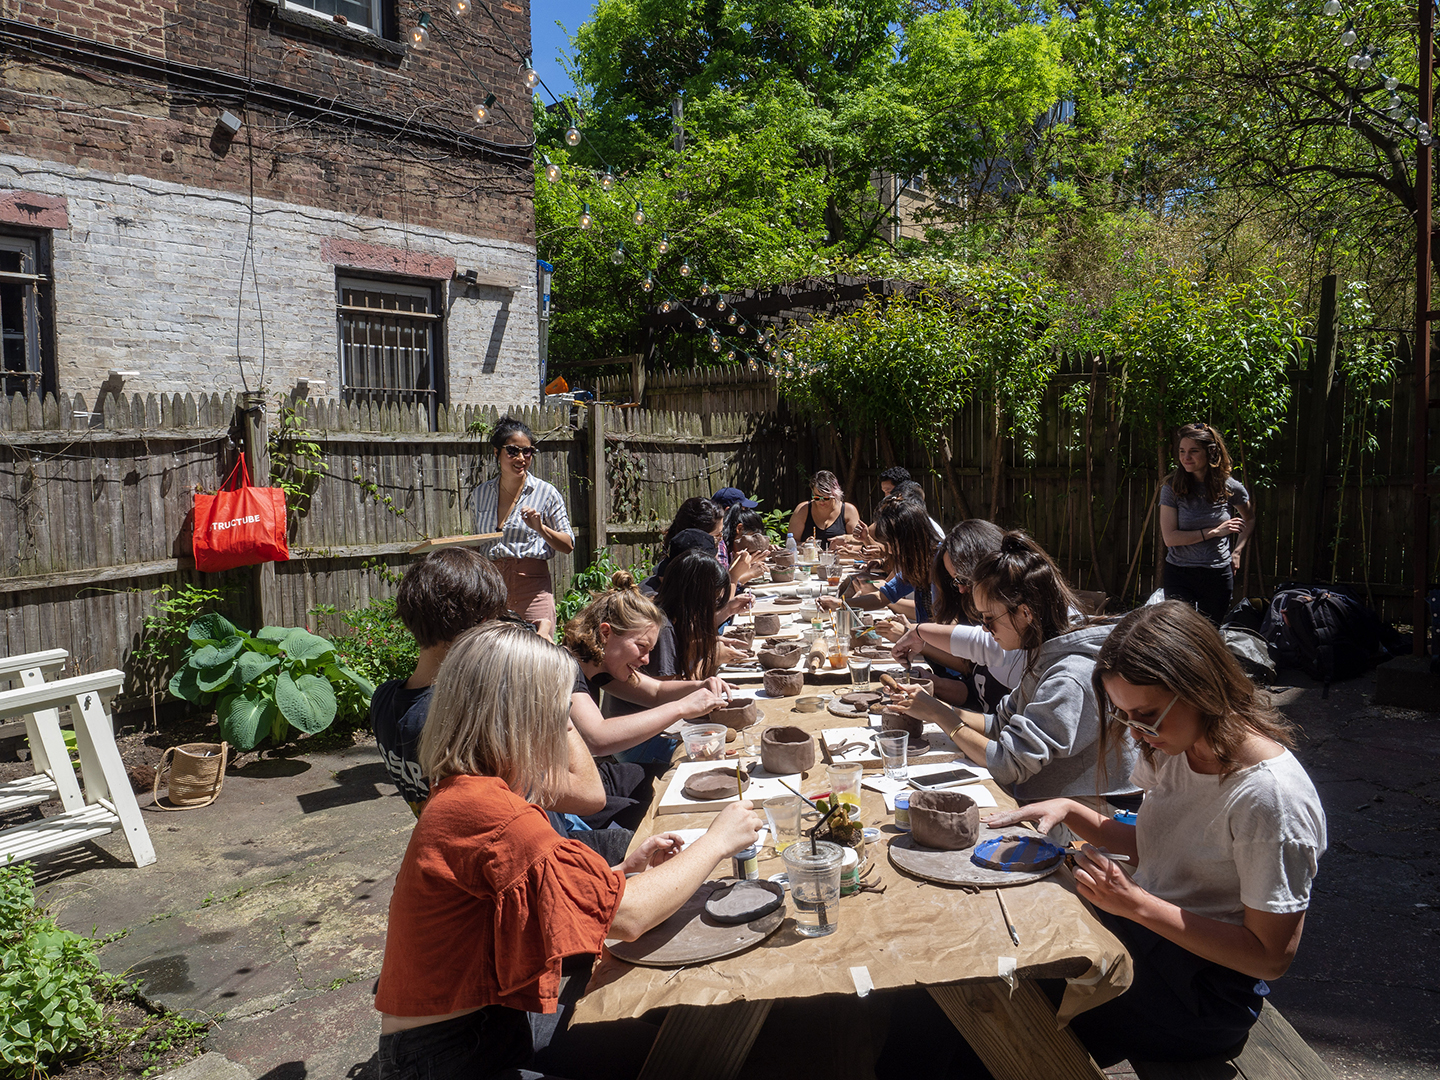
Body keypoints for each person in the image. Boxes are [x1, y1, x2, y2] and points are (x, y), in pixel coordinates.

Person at [375, 621, 764, 1080]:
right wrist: (719, 840)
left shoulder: (472, 789)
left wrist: (621, 870)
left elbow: (533, 895)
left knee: (657, 1036)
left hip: (472, 1030)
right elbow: (630, 917)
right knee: (686, 1048)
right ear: (525, 716)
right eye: (558, 713)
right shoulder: (493, 813)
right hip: (452, 1057)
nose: (565, 726)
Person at [985, 602, 1326, 1066]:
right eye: (1125, 716)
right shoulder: (1176, 747)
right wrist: (1070, 809)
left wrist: (1134, 903)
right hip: (1146, 942)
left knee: (1001, 1010)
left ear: (1200, 686)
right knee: (997, 956)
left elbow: (1269, 957)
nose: (1137, 733)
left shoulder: (1270, 799)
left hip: (1200, 996)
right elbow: (1158, 847)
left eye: (1145, 715)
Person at [892, 530, 1141, 810]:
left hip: (1094, 815)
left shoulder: (1068, 676)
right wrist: (932, 705)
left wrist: (937, 714)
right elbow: (998, 725)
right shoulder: (1041, 653)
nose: (985, 630)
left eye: (988, 619)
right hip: (1049, 800)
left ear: (1025, 613)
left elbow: (1007, 764)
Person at [562, 572, 731, 759]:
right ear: (605, 633)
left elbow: (656, 692)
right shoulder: (565, 668)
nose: (646, 660)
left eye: (650, 650)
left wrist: (701, 685)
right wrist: (681, 707)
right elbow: (598, 739)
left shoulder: (599, 664)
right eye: (641, 646)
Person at [891, 519, 1018, 710]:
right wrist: (934, 684)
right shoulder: (987, 617)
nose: (960, 589)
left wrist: (939, 713)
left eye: (963, 579)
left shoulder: (1024, 642)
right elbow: (977, 692)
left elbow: (1000, 728)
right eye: (954, 581)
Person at [473, 417, 575, 637]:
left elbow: (568, 544)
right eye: (512, 451)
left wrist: (541, 528)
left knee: (540, 656)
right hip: (493, 590)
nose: (520, 458)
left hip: (533, 590)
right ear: (496, 453)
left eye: (527, 452)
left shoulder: (546, 493)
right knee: (495, 657)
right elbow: (480, 544)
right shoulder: (479, 494)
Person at [1159, 422, 1253, 625]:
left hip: (1217, 574)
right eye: (1182, 451)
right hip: (1179, 573)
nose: (1186, 457)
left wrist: (1236, 553)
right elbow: (1170, 538)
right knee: (1177, 634)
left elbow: (1250, 518)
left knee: (1210, 636)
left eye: (1193, 451)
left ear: (1211, 452)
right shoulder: (1171, 487)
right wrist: (1215, 531)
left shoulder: (1230, 487)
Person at [820, 498, 937, 622]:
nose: (890, 551)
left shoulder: (942, 563)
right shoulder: (915, 564)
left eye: (892, 544)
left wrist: (908, 630)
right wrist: (838, 603)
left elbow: (947, 623)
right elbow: (882, 597)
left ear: (908, 539)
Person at [788, 470, 861, 547]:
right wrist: (805, 546)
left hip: (841, 558)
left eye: (826, 498)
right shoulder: (803, 510)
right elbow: (791, 543)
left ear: (835, 494)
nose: (821, 501)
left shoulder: (848, 510)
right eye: (816, 497)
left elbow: (858, 542)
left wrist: (848, 549)